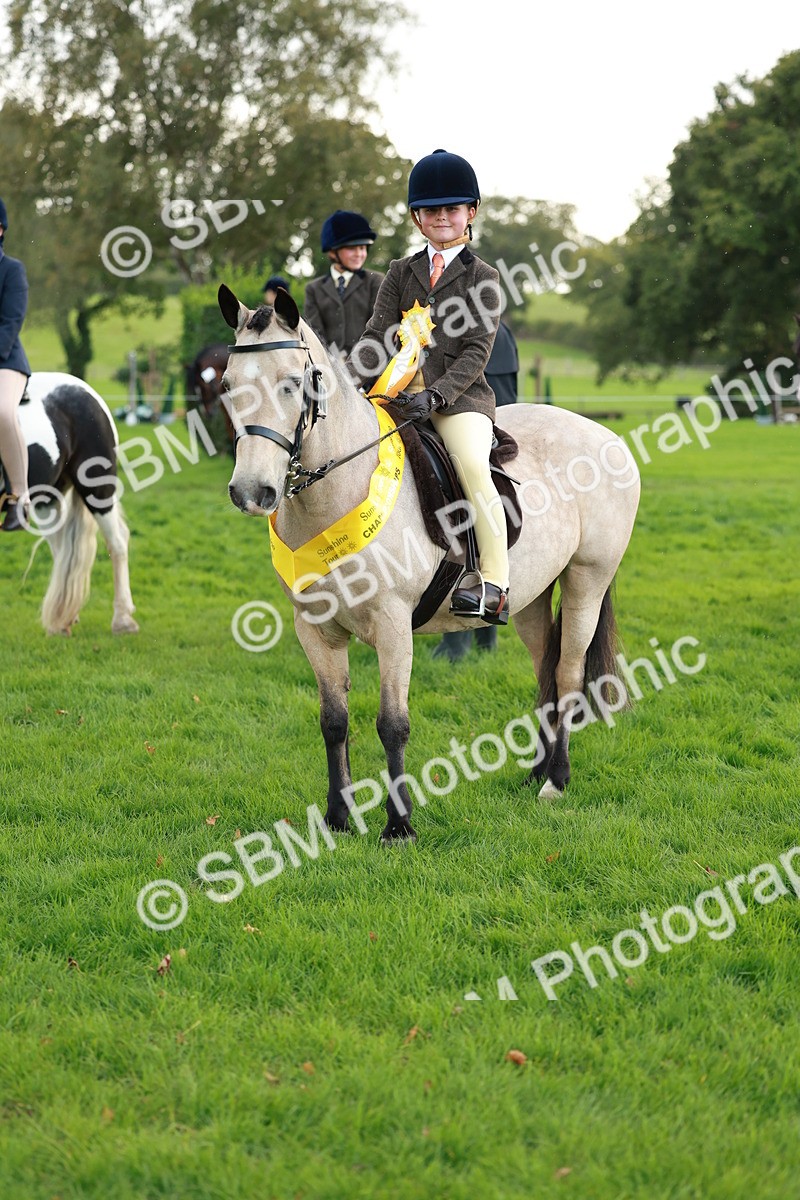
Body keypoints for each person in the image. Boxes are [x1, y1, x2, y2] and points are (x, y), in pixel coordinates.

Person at [347, 150, 509, 624]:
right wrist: (345, 382)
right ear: (418, 218)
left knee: (473, 467)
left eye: (452, 209)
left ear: (470, 213)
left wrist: (436, 396)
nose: (442, 217)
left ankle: (494, 582)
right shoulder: (401, 272)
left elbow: (477, 353)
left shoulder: (484, 277)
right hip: (395, 397)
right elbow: (375, 336)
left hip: (457, 401)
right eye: (433, 210)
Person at [432, 318, 520, 658]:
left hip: (471, 411)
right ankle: (482, 635)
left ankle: (471, 619)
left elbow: (504, 398)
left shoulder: (489, 331)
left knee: (464, 482)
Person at [304, 211, 384, 358]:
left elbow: (377, 329)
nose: (359, 254)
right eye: (352, 248)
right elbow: (315, 335)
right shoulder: (314, 289)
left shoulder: (375, 281)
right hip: (329, 366)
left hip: (368, 364)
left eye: (363, 248)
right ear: (333, 252)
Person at [0, 197, 31, 533]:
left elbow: (10, 323)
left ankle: (19, 499)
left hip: (5, 359)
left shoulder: (12, 270)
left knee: (2, 413)